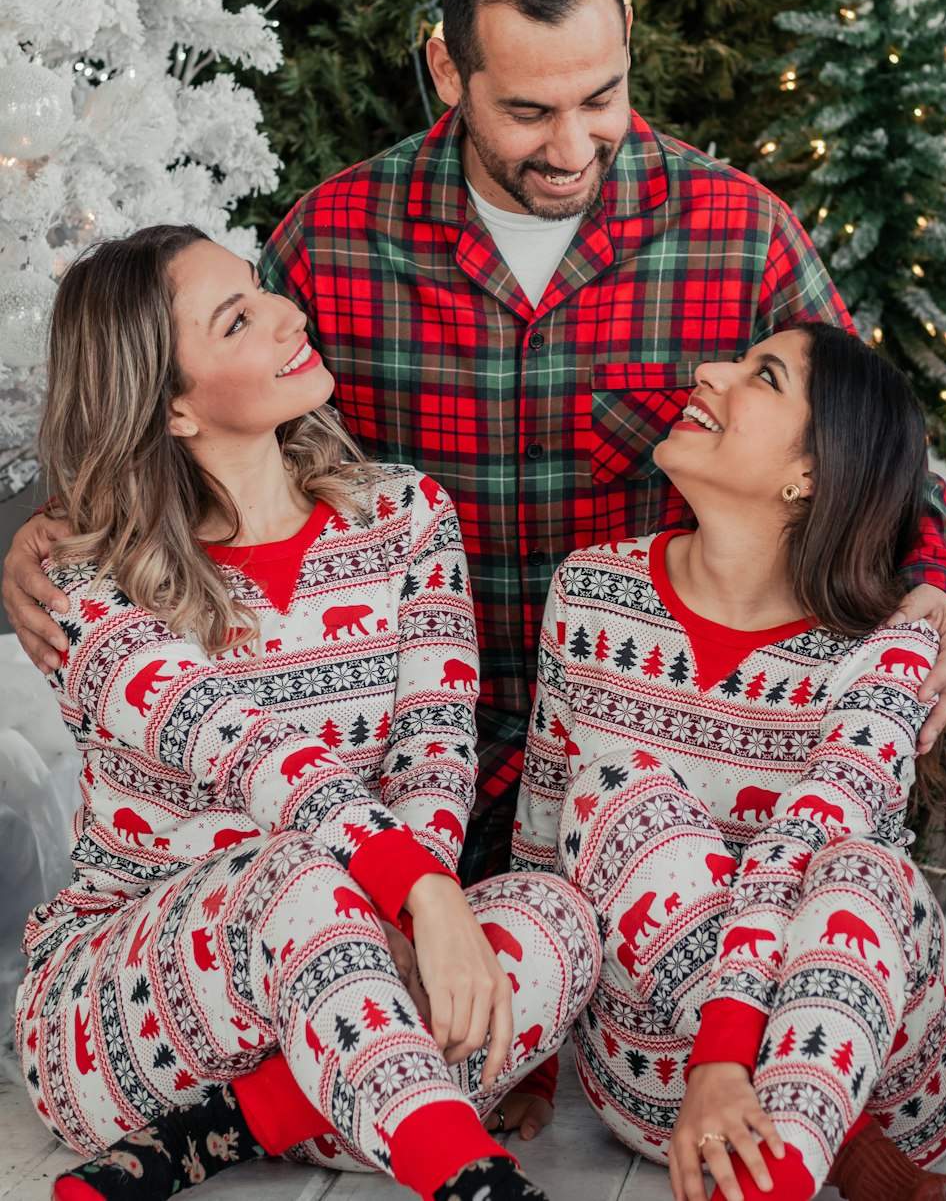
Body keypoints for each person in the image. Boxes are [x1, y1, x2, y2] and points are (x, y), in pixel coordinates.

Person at [2, 0, 946, 894]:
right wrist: (66, 525)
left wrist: (938, 578)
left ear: (626, 34)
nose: (570, 146)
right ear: (446, 69)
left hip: (643, 783)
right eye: (526, 112)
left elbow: (867, 447)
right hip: (391, 789)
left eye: (601, 98)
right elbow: (203, 423)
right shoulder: (333, 241)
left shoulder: (740, 236)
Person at [17, 226, 601, 1201]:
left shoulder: (407, 518)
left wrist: (419, 914)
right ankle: (468, 1176)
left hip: (346, 980)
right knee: (291, 865)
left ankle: (242, 1127)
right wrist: (421, 893)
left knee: (559, 917)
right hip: (126, 1017)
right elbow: (247, 750)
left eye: (261, 288)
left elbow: (432, 758)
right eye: (238, 318)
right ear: (170, 406)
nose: (289, 314)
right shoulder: (86, 580)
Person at [511, 324, 946, 1201]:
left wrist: (737, 1047)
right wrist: (535, 1061)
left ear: (807, 475)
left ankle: (828, 1150)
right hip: (668, 1082)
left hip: (877, 1072)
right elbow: (543, 834)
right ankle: (829, 1163)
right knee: (613, 790)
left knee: (855, 867)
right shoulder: (591, 593)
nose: (708, 373)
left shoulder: (888, 647)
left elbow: (803, 849)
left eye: (761, 376)